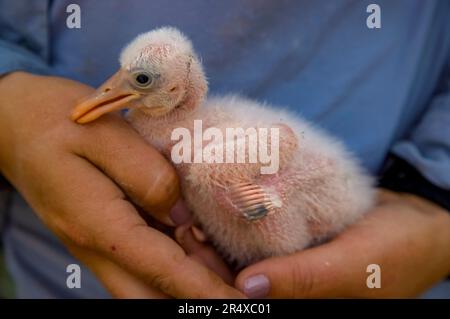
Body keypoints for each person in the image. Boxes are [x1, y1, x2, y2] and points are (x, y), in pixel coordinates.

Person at [0, 0, 449, 298]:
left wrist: (434, 192)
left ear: (177, 87)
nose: (108, 92)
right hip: (60, 272)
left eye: (140, 81)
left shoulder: (208, 155)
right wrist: (10, 104)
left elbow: (282, 146)